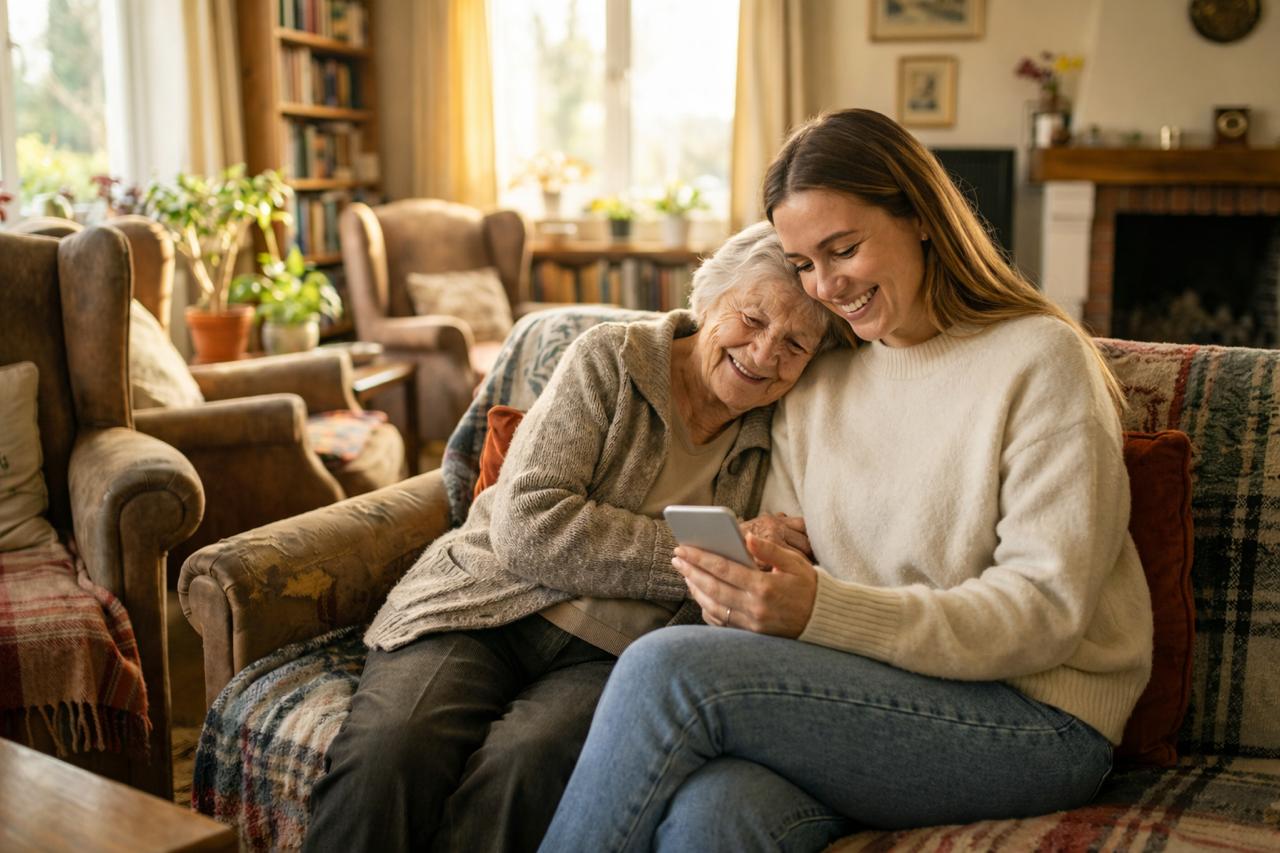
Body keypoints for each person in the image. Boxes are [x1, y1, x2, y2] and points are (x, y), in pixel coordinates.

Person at [540, 108, 1154, 852]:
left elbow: (1045, 611)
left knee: (664, 671)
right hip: (865, 697)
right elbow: (791, 569)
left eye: (844, 249)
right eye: (803, 263)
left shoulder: (1040, 359)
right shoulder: (817, 383)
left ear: (920, 217)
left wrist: (822, 610)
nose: (826, 286)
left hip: (1034, 717)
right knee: (716, 812)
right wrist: (744, 593)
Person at [302, 221, 844, 853]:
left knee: (523, 769)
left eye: (795, 344)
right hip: (483, 604)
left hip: (612, 655)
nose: (764, 353)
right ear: (709, 298)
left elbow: (752, 586)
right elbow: (528, 525)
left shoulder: (784, 430)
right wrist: (692, 557)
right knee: (392, 749)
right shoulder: (610, 358)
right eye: (751, 319)